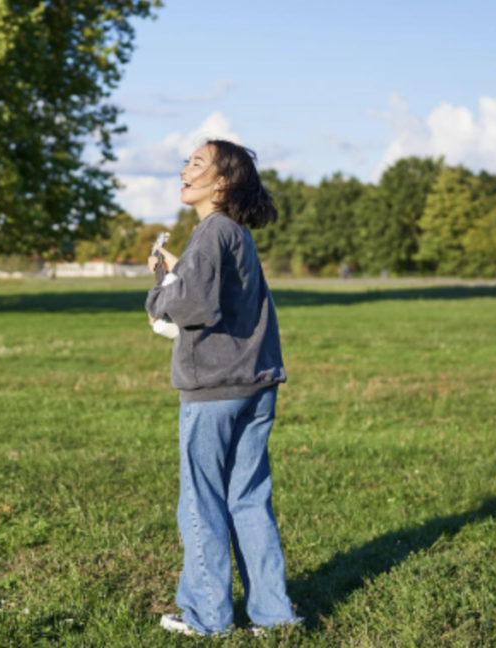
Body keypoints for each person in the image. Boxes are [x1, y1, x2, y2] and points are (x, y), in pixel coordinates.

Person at [145, 139, 303, 637]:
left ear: (222, 183)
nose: (184, 170)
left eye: (197, 163)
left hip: (214, 389)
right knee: (249, 499)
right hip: (256, 384)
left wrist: (159, 290)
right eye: (186, 162)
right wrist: (178, 271)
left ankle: (207, 617)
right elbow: (213, 292)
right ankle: (274, 618)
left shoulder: (212, 231)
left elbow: (193, 307)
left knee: (200, 501)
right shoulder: (233, 233)